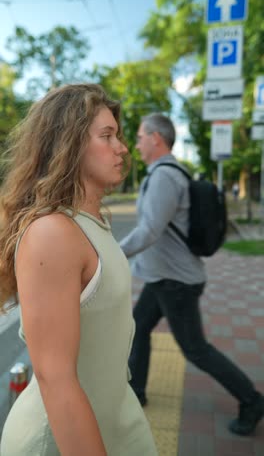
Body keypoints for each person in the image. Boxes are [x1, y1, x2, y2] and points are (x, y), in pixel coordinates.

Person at [0, 84, 158, 456]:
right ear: (68, 145)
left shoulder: (92, 223)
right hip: (58, 441)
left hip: (113, 420)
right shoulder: (52, 233)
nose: (121, 147)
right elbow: (55, 379)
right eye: (107, 136)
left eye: (118, 135)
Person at [120, 112, 264, 437]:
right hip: (163, 278)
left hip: (176, 282)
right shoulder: (168, 173)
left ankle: (252, 400)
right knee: (138, 327)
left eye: (141, 136)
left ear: (156, 138)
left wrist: (111, 253)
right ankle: (137, 391)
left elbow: (150, 230)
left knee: (195, 349)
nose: (137, 143)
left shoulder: (164, 177)